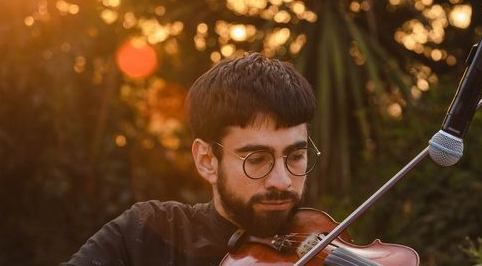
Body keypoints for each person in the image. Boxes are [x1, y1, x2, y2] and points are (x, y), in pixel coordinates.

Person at [62, 52, 320, 266]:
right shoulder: (148, 234)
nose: (282, 180)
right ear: (207, 160)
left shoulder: (324, 245)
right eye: (257, 159)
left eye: (296, 156)